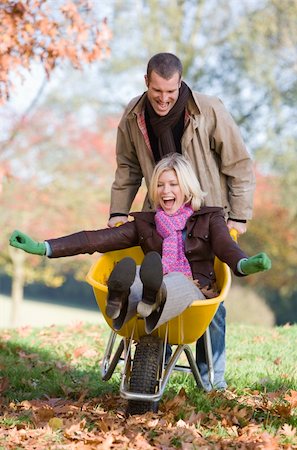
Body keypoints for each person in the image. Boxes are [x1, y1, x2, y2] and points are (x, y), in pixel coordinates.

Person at [9, 154, 271, 391]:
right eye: (160, 185)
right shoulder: (146, 224)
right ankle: (125, 296)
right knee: (136, 273)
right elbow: (96, 240)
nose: (165, 190)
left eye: (173, 184)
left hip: (193, 288)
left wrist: (244, 264)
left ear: (187, 188)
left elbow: (226, 247)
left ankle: (143, 299)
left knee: (172, 283)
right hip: (153, 282)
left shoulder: (209, 218)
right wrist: (44, 247)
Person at [108, 52, 255, 237]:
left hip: (207, 217)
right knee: (161, 265)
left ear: (180, 82)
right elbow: (128, 167)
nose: (163, 99)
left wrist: (239, 216)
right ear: (146, 81)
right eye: (157, 91)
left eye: (170, 91)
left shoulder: (208, 110)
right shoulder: (134, 114)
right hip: (162, 217)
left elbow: (238, 163)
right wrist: (118, 212)